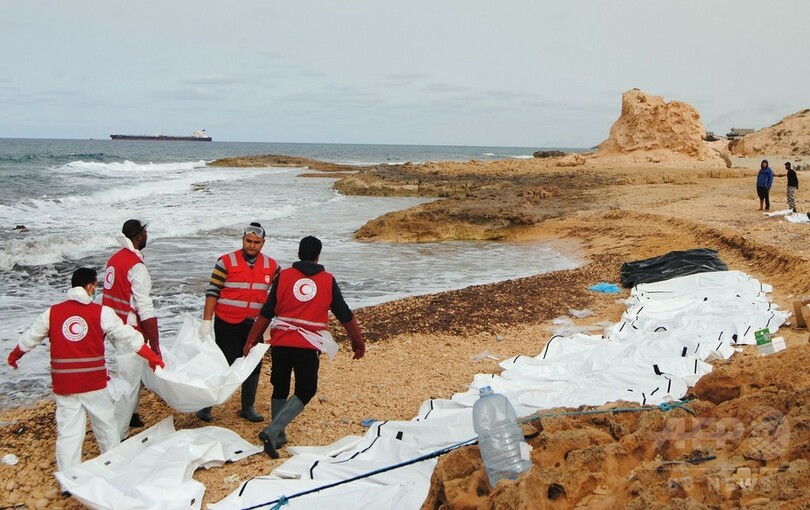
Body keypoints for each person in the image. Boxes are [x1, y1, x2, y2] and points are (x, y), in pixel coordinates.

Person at [6, 268, 163, 475]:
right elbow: (130, 337)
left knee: (69, 432)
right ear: (90, 287)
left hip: (64, 384)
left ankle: (68, 478)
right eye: (96, 286)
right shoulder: (102, 313)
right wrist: (153, 358)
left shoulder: (52, 312)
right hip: (93, 383)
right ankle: (112, 465)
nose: (96, 290)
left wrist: (14, 357)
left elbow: (30, 338)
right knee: (106, 425)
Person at [243, 236, 365, 458]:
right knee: (306, 390)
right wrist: (357, 340)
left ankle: (278, 435)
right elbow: (343, 312)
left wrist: (251, 340)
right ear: (318, 256)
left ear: (299, 254)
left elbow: (267, 311)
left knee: (280, 386)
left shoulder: (284, 277)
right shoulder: (328, 280)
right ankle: (272, 431)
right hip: (307, 344)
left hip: (280, 341)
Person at [196, 222, 279, 423]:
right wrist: (206, 321)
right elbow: (213, 291)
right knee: (221, 363)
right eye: (248, 241)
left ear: (263, 243)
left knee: (253, 365)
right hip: (227, 322)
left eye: (256, 242)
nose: (251, 245)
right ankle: (205, 407)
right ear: (242, 239)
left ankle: (248, 408)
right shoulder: (225, 262)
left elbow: (278, 295)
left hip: (256, 324)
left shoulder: (272, 266)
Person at [102, 219, 160, 434]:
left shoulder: (114, 259)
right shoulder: (136, 266)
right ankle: (119, 433)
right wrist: (155, 342)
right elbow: (144, 306)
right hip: (129, 329)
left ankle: (133, 414)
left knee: (135, 373)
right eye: (145, 233)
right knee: (129, 381)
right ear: (137, 237)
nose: (147, 236)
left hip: (112, 324)